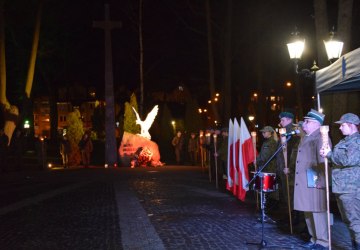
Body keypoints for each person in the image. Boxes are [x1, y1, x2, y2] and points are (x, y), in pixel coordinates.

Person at [320, 113, 360, 250]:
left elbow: (347, 160)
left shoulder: (356, 142)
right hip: (341, 187)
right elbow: (338, 161)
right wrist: (328, 156)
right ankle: (354, 244)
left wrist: (330, 154)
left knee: (355, 221)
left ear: (352, 126)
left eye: (343, 125)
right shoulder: (344, 141)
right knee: (348, 220)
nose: (340, 128)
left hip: (351, 188)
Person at [293, 109, 329, 250]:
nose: (304, 125)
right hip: (305, 180)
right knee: (307, 210)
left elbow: (323, 162)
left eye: (307, 122)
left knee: (317, 211)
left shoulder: (321, 137)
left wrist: (321, 180)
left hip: (314, 179)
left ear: (315, 123)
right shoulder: (307, 136)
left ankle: (323, 241)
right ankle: (314, 238)